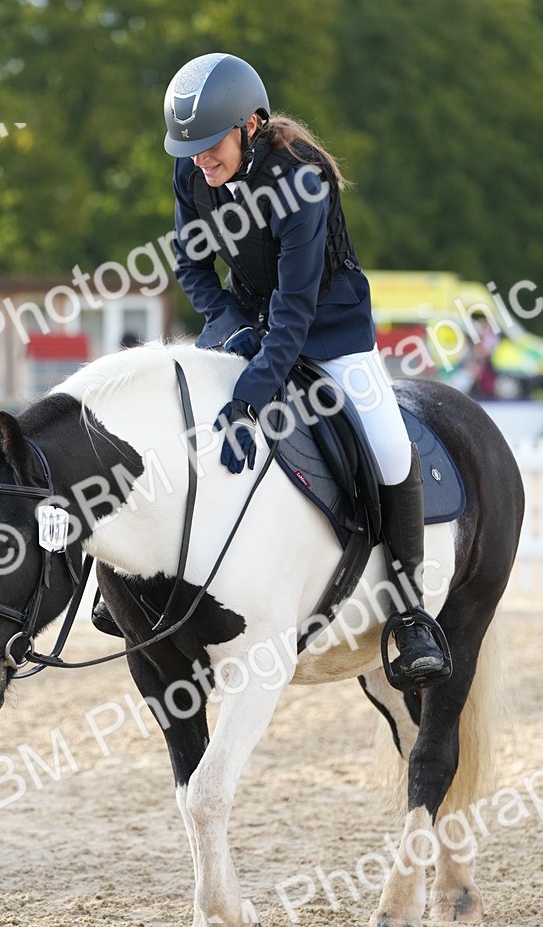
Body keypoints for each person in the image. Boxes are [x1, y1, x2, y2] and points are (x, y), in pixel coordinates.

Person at [96, 52, 449, 689]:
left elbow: (296, 308)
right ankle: (133, 579)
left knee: (392, 451)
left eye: (211, 146)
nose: (201, 161)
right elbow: (192, 266)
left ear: (250, 124)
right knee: (176, 418)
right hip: (248, 320)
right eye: (191, 150)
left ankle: (410, 613)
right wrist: (228, 322)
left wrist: (250, 392)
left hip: (328, 329)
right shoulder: (193, 169)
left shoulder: (301, 180)